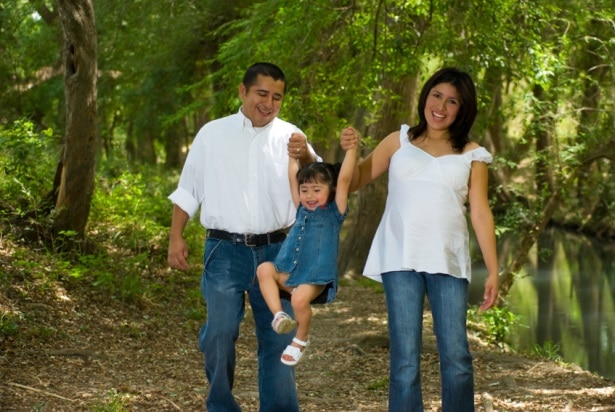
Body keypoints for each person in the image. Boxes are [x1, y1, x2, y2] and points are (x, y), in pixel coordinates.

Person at [167, 62, 322, 412]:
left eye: (277, 97)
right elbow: (189, 189)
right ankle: (221, 405)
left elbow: (317, 186)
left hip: (279, 250)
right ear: (243, 91)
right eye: (262, 94)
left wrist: (308, 154)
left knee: (278, 338)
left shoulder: (292, 136)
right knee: (219, 334)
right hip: (224, 250)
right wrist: (176, 236)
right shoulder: (212, 133)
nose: (269, 103)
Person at [349, 68, 499, 411]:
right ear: (425, 95)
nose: (441, 107)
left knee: (457, 358)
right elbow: (355, 179)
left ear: (463, 110)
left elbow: (480, 213)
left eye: (452, 102)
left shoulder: (473, 155)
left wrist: (493, 270)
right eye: (436, 95)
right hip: (399, 258)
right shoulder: (398, 141)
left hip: (448, 260)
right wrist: (342, 154)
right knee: (404, 360)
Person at [256, 127, 359, 366]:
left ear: (330, 191)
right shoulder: (301, 208)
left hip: (314, 275)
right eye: (305, 190)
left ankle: (301, 339)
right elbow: (293, 176)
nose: (309, 195)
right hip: (290, 269)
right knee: (264, 269)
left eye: (316, 190)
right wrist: (293, 155)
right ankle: (278, 315)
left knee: (299, 300)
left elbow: (344, 178)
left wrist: (351, 149)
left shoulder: (335, 212)